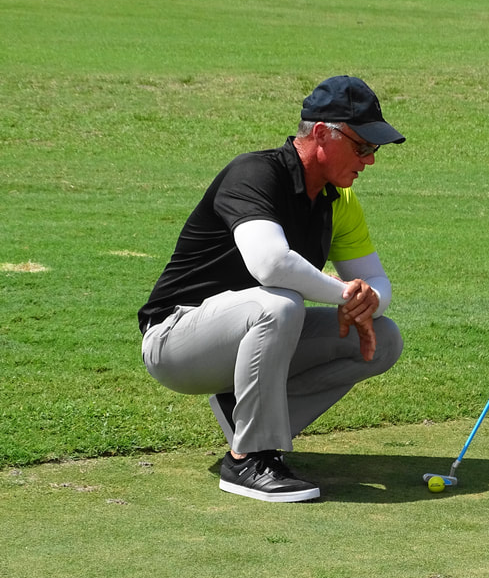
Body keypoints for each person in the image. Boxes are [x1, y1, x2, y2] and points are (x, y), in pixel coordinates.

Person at [138, 76, 406, 503]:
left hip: (249, 339)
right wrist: (342, 295)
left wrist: (367, 301)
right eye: (362, 147)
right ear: (321, 133)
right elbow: (270, 264)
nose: (370, 160)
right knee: (280, 303)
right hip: (175, 341)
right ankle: (248, 460)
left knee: (384, 336)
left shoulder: (340, 200)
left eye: (374, 150)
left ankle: (243, 417)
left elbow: (376, 282)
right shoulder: (255, 173)